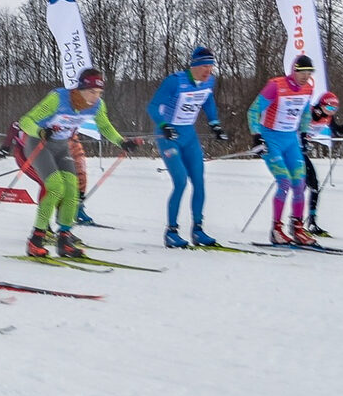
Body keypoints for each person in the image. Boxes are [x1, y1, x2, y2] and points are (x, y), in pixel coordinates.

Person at [17, 67, 144, 260]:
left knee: (72, 190)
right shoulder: (58, 98)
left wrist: (122, 142)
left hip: (61, 147)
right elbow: (25, 121)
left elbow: (105, 126)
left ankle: (64, 240)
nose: (95, 97)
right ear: (80, 89)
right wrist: (41, 131)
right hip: (38, 144)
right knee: (55, 187)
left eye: (99, 92)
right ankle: (36, 240)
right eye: (92, 91)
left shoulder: (97, 105)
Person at [147, 45, 227, 248]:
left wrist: (215, 124)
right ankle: (171, 232)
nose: (208, 70)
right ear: (194, 66)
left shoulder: (209, 81)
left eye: (211, 66)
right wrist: (164, 125)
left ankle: (198, 230)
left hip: (189, 136)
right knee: (181, 182)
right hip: (169, 137)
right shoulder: (175, 81)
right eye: (205, 66)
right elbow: (153, 106)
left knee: (199, 182)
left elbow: (208, 102)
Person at [248, 54, 319, 246]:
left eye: (309, 73)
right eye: (302, 72)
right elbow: (253, 110)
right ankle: (276, 230)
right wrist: (256, 136)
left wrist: (304, 133)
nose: (305, 77)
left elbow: (305, 112)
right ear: (293, 70)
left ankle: (297, 228)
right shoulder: (276, 85)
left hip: (291, 140)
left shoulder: (308, 87)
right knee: (284, 182)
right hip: (271, 140)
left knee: (300, 184)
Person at [301, 92, 343, 236]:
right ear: (321, 104)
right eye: (329, 108)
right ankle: (298, 223)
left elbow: (338, 132)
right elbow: (300, 125)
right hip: (293, 150)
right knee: (304, 185)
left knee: (313, 185)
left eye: (334, 109)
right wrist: (303, 141)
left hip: (301, 151)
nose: (331, 111)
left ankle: (311, 222)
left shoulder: (328, 117)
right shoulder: (311, 112)